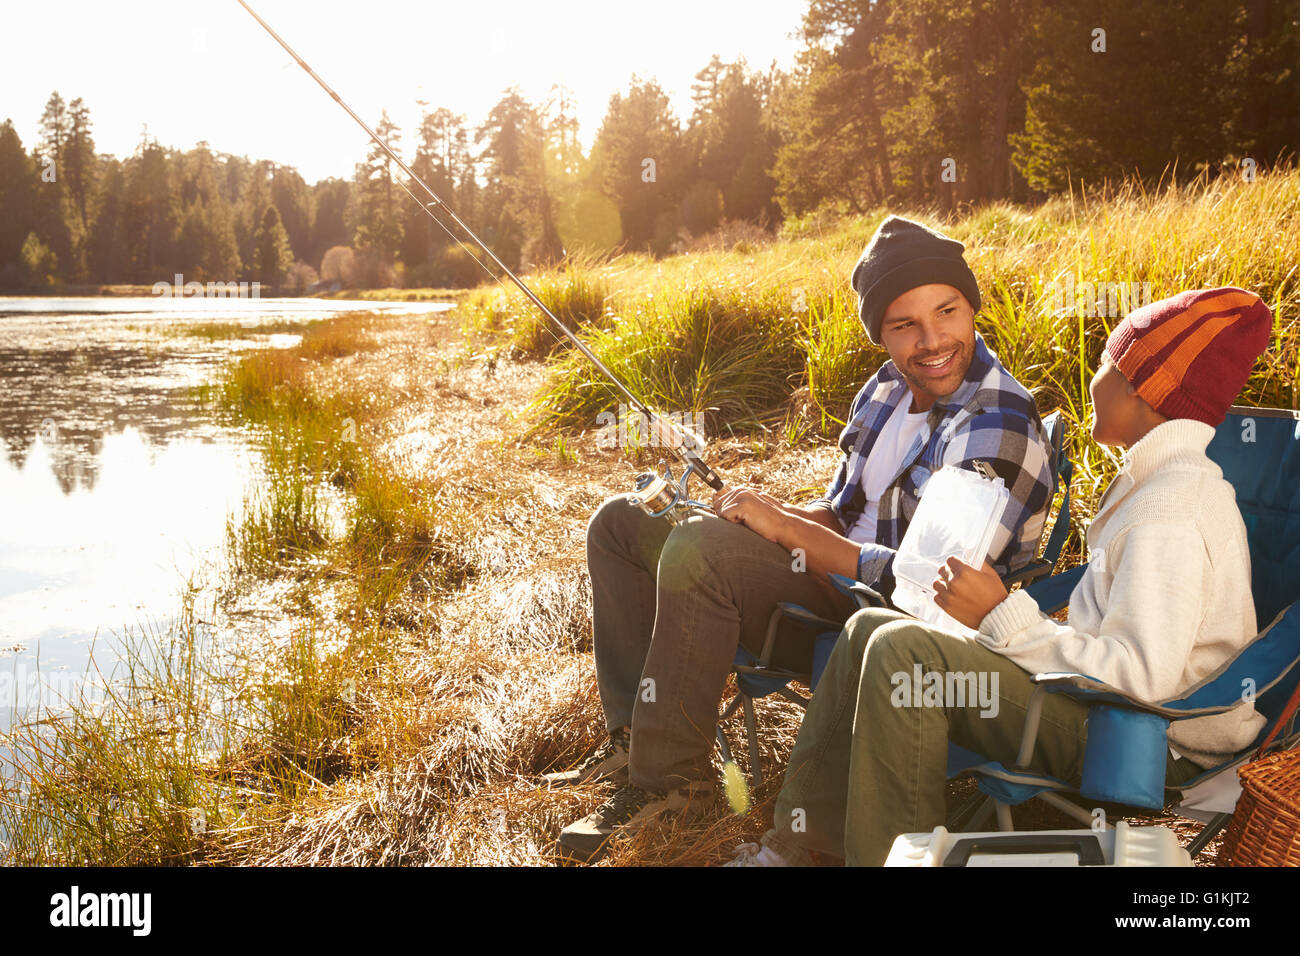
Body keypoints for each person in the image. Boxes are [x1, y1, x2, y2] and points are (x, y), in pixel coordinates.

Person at [548, 216, 1056, 864]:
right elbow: (846, 511)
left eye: (947, 310)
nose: (931, 340)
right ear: (882, 333)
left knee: (698, 553)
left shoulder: (997, 419)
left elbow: (930, 591)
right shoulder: (885, 391)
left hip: (892, 623)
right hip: (828, 578)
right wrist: (770, 512)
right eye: (904, 324)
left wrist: (785, 532)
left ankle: (671, 788)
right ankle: (633, 741)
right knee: (622, 524)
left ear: (971, 306)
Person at [726, 286, 1273, 867]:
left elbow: (1140, 677)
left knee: (904, 654)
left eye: (1110, 364)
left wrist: (1001, 616)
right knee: (871, 628)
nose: (1094, 378)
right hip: (1103, 704)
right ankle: (800, 848)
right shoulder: (1156, 481)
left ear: (1143, 389)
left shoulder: (1171, 510)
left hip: (1150, 735)